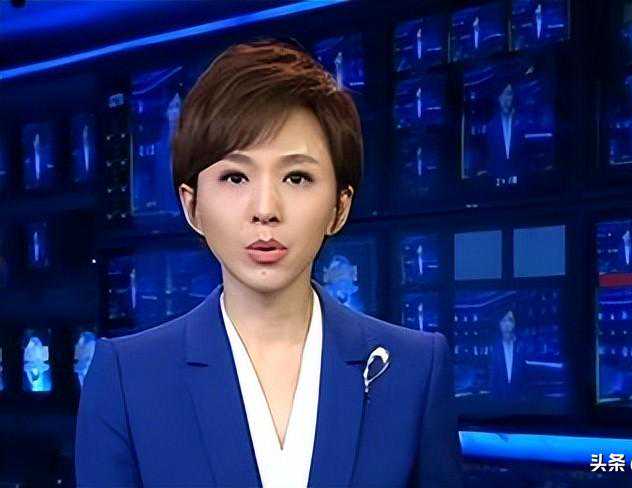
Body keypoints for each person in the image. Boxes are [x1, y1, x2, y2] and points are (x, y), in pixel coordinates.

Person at [75, 39, 463, 488]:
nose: (265, 209)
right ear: (191, 205)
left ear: (340, 206)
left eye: (296, 177)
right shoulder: (126, 379)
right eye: (235, 177)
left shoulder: (413, 369)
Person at [484, 83, 525, 179]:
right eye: (502, 94)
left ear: (513, 96)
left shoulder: (522, 122)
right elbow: (489, 154)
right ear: (498, 98)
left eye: (508, 94)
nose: (505, 98)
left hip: (519, 176)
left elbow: (524, 154)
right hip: (496, 175)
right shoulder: (491, 125)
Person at [490, 310, 528, 404]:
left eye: (510, 320)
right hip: (499, 397)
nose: (507, 323)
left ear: (514, 323)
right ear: (499, 324)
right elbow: (493, 373)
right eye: (503, 320)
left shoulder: (522, 345)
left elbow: (525, 372)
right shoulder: (494, 346)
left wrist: (524, 394)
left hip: (520, 397)